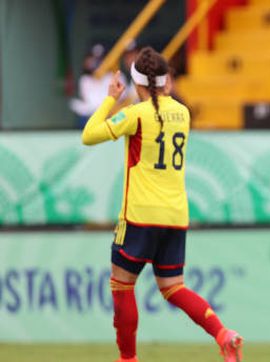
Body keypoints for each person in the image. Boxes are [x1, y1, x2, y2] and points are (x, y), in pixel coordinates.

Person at [81, 46, 243, 362]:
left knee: (122, 285)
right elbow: (164, 102)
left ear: (136, 83)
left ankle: (128, 358)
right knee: (173, 287)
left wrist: (111, 98)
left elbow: (89, 135)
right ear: (166, 80)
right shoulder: (182, 113)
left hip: (140, 214)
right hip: (175, 215)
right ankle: (223, 334)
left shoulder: (136, 114)